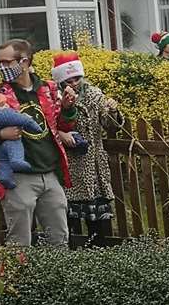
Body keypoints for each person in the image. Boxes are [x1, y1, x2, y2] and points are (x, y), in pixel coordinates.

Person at [0, 40, 76, 247]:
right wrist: (1, 134)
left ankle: (56, 279)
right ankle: (16, 280)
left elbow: (60, 126)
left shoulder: (48, 89)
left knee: (58, 239)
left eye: (6, 62)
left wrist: (67, 108)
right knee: (19, 243)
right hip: (17, 178)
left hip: (50, 174)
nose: (1, 68)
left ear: (24, 62)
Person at [51, 52, 120, 247]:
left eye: (77, 78)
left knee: (97, 218)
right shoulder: (52, 97)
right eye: (68, 79)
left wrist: (112, 110)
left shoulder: (94, 94)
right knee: (68, 216)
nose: (73, 83)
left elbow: (110, 126)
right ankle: (71, 253)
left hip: (94, 163)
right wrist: (62, 135)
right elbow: (48, 127)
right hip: (68, 164)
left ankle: (98, 253)